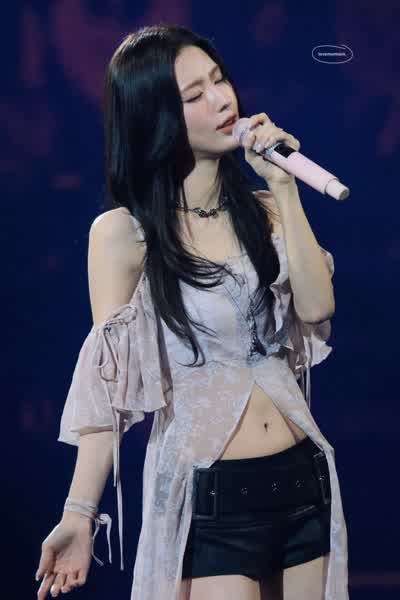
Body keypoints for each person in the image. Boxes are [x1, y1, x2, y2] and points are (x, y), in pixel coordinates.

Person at [35, 24, 349, 600]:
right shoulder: (125, 234)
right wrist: (78, 514)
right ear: (155, 117)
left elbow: (318, 305)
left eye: (219, 79)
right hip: (211, 494)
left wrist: (284, 189)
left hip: (303, 480)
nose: (223, 99)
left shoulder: (263, 210)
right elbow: (109, 387)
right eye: (194, 94)